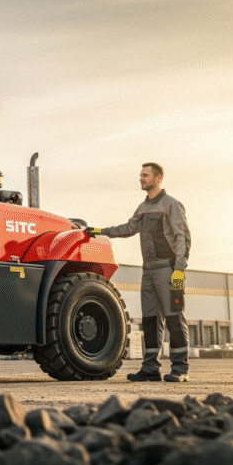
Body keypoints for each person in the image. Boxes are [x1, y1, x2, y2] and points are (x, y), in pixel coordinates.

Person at [85, 163, 191, 382]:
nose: (141, 179)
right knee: (150, 320)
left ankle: (180, 369)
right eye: (141, 175)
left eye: (145, 175)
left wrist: (179, 271)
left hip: (169, 270)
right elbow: (127, 228)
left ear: (158, 178)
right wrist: (99, 231)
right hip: (148, 271)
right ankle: (150, 368)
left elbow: (183, 238)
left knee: (174, 317)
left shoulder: (171, 205)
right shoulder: (142, 207)